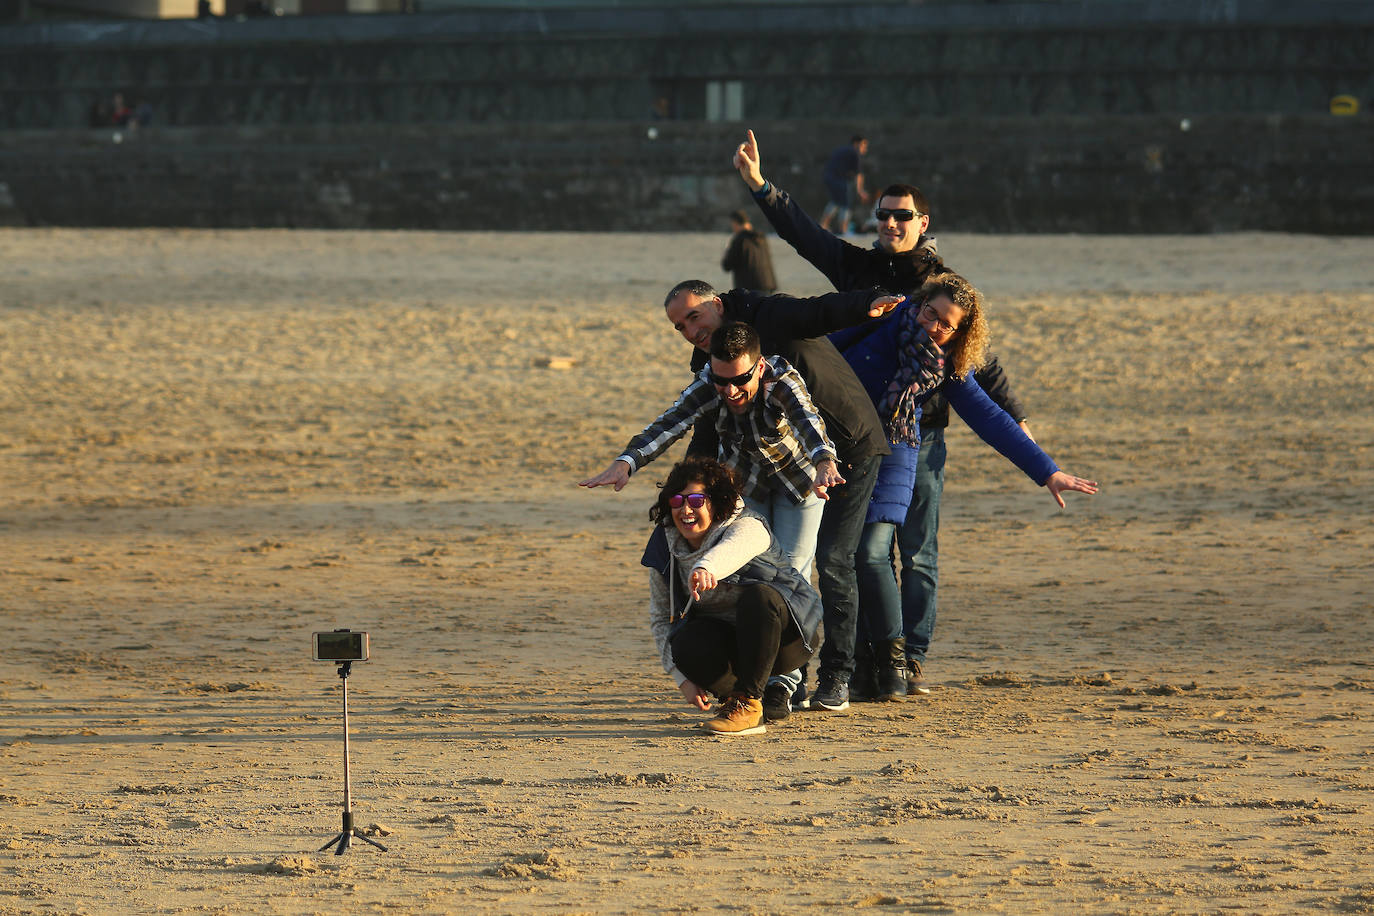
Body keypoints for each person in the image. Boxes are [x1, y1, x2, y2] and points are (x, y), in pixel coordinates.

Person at [734, 128, 1034, 697]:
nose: (892, 224)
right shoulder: (856, 268)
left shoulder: (940, 286)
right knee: (863, 552)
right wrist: (761, 187)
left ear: (924, 223)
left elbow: (979, 362)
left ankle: (910, 656)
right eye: (884, 216)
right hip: (855, 436)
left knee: (916, 553)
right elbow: (805, 236)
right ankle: (874, 657)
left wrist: (1013, 413)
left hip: (921, 437)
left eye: (904, 216)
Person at [831, 273, 1098, 705]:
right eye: (929, 312)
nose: (932, 325)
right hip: (839, 447)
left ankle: (895, 663)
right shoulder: (884, 319)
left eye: (945, 323)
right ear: (919, 304)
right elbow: (821, 349)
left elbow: (991, 419)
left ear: (960, 332)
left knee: (872, 552)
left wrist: (1048, 471)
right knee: (839, 559)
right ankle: (860, 666)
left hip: (896, 450)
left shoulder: (946, 365)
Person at [665, 280, 900, 714]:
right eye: (679, 326)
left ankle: (836, 673)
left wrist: (865, 301)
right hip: (772, 475)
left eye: (694, 316)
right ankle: (785, 681)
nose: (689, 330)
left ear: (717, 304)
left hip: (845, 447)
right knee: (769, 572)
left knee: (827, 562)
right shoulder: (711, 362)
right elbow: (698, 426)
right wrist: (684, 495)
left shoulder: (766, 314)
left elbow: (817, 313)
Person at [644, 456, 823, 735]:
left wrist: (706, 567)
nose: (685, 510)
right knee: (685, 640)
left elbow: (735, 548)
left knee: (760, 597)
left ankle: (749, 704)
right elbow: (659, 618)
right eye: (677, 501)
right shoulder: (665, 548)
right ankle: (734, 701)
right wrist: (682, 679)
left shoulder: (747, 525)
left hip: (787, 640)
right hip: (731, 649)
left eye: (695, 501)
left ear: (716, 503)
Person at [818, 135, 869, 234]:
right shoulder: (854, 152)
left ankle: (823, 225)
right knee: (846, 204)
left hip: (829, 177)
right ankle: (843, 229)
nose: (865, 149)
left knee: (836, 201)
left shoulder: (841, 150)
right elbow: (859, 174)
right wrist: (860, 191)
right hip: (839, 179)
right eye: (863, 145)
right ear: (856, 143)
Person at [721, 210, 777, 294]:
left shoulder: (740, 239)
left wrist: (727, 252)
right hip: (767, 284)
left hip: (749, 289)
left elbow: (727, 265)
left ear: (735, 223)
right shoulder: (761, 237)